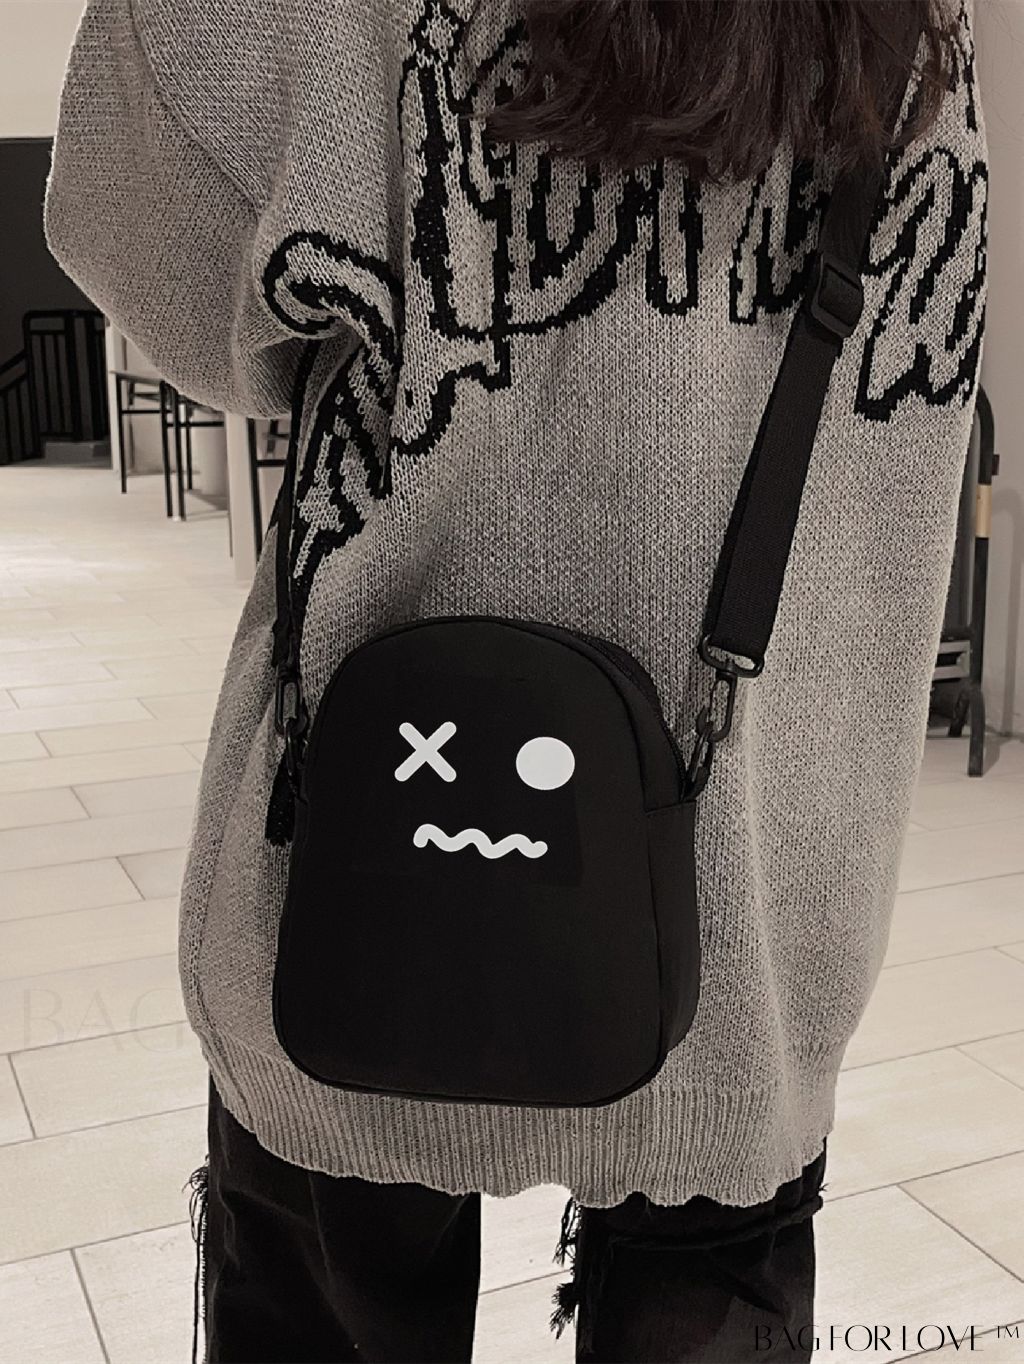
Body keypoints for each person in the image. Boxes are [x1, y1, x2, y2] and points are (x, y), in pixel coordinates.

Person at [44, 1, 987, 1360]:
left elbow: (152, 258)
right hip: (758, 866)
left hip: (354, 842)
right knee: (708, 1282)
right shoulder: (907, 25)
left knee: (331, 1279)